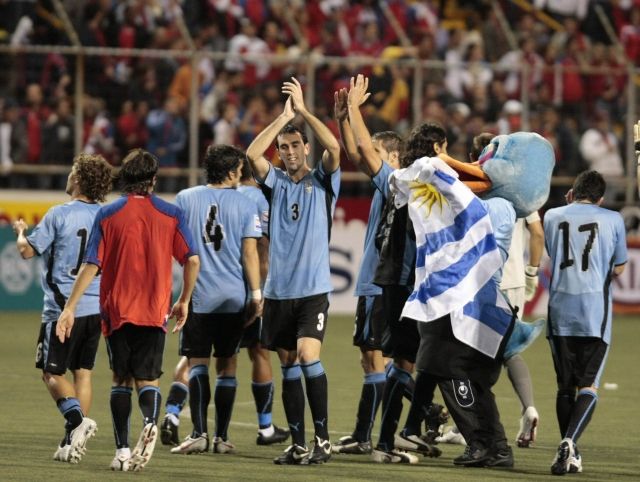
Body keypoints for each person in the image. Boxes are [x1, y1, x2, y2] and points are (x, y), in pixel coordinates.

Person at [55, 148, 200, 472]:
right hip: (153, 309)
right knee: (148, 381)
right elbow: (191, 259)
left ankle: (121, 451)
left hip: (117, 309)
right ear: (152, 180)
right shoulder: (171, 213)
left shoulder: (107, 214)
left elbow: (92, 264)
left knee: (120, 380)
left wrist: (70, 307)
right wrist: (184, 299)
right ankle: (150, 420)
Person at [245, 77, 341, 465]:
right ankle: (299, 442)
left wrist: (302, 113)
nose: (287, 152)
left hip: (313, 290)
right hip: (279, 292)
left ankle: (323, 440)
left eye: (294, 145)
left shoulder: (323, 180)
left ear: (305, 147)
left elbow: (334, 147)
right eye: (282, 148)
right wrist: (280, 119)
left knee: (306, 355)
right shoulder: (276, 183)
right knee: (287, 363)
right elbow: (252, 154)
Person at [13, 153, 112, 463]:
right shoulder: (106, 216)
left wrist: (19, 231)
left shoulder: (59, 214)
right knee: (83, 373)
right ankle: (72, 441)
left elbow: (28, 252)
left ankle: (77, 422)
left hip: (61, 308)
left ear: (79, 179)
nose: (69, 177)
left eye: (72, 172)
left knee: (50, 372)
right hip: (95, 308)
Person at [169, 144, 264, 455]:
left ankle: (198, 433)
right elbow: (250, 253)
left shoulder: (184, 198)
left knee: (197, 364)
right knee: (227, 367)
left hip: (198, 295)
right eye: (238, 168)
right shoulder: (246, 205)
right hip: (233, 297)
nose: (241, 173)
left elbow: (179, 247)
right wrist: (255, 294)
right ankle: (221, 438)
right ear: (229, 171)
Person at [370, 121, 450, 464]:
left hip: (393, 277)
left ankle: (404, 432)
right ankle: (386, 444)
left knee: (408, 360)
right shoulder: (421, 178)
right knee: (407, 360)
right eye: (444, 148)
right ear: (436, 149)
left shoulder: (401, 178)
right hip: (404, 279)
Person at [331, 78, 400, 456]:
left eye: (378, 151)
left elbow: (361, 149)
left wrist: (356, 108)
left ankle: (372, 434)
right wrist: (344, 117)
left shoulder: (395, 183)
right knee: (373, 359)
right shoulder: (385, 184)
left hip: (380, 285)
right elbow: (357, 152)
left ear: (393, 158)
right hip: (373, 284)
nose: (369, 155)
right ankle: (369, 432)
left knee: (377, 359)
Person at [544, 170, 627, 476]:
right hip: (594, 311)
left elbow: (555, 252)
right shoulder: (613, 219)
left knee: (564, 387)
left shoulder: (552, 215)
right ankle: (570, 440)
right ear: (601, 198)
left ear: (572, 191)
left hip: (559, 309)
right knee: (588, 385)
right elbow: (619, 268)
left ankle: (570, 452)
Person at [237, 159, 291, 446]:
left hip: (218, 289)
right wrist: (263, 291)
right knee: (265, 352)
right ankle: (266, 427)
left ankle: (180, 419)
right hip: (253, 288)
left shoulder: (221, 196)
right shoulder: (259, 198)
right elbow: (262, 247)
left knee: (205, 358)